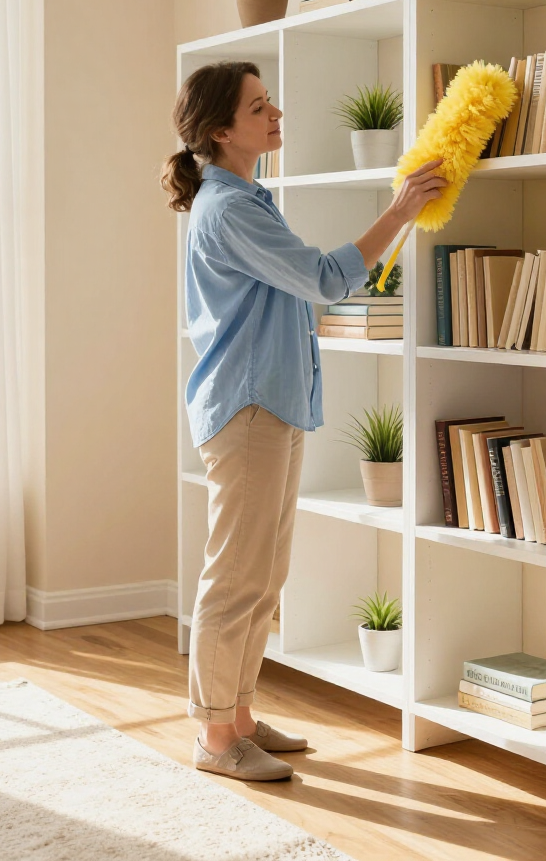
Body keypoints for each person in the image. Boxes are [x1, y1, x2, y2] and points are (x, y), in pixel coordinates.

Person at [159, 60, 445, 782]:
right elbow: (323, 278)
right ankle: (214, 739)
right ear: (222, 130)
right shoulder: (227, 209)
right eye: (260, 108)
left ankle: (240, 716)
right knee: (235, 576)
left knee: (264, 573)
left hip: (271, 403)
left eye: (272, 101)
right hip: (248, 407)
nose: (276, 113)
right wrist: (402, 208)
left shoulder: (251, 196)